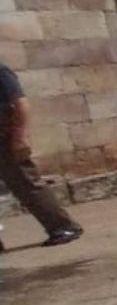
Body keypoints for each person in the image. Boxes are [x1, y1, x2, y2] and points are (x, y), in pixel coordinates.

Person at [0, 63, 84, 250]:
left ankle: (63, 226)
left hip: (5, 138)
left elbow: (21, 104)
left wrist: (20, 137)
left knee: (26, 183)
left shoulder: (1, 71)